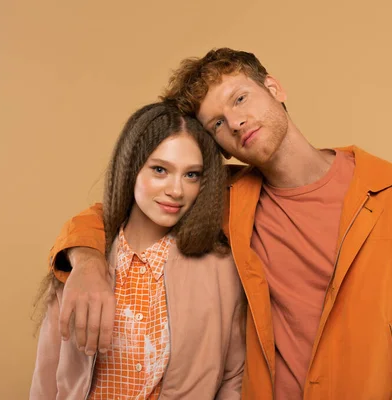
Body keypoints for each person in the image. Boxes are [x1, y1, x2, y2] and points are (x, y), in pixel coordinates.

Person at [46, 49, 392, 399]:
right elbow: (124, 208)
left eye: (240, 99)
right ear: (220, 147)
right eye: (217, 123)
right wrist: (85, 262)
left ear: (273, 88)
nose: (235, 122)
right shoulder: (224, 200)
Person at [31, 102, 245, 399]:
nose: (176, 190)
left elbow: (234, 376)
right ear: (131, 167)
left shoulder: (222, 269)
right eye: (160, 170)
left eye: (191, 175)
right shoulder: (80, 257)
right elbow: (47, 379)